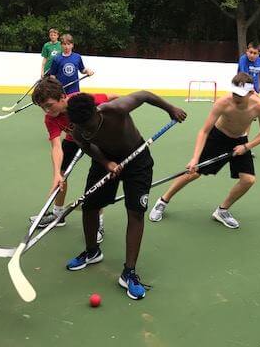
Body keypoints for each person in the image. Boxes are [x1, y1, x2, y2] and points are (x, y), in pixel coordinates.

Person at [66, 91, 187, 300]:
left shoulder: (117, 109)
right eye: (82, 128)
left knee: (136, 213)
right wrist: (106, 163)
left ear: (96, 111)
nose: (87, 131)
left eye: (90, 126)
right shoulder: (78, 130)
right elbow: (86, 146)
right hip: (105, 161)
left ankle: (129, 272)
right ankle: (92, 251)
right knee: (90, 206)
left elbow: (145, 95)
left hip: (138, 160)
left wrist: (171, 109)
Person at [148, 73, 260, 229]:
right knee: (193, 172)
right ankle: (163, 201)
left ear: (251, 93)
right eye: (234, 93)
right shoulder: (223, 103)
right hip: (218, 137)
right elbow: (204, 131)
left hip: (240, 142)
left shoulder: (259, 107)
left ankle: (222, 210)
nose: (235, 98)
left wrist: (246, 147)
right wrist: (194, 158)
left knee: (248, 180)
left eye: (240, 95)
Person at [30, 78, 117, 242]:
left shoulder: (81, 100)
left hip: (98, 140)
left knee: (96, 181)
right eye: (42, 107)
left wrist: (113, 118)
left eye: (49, 105)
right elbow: (56, 146)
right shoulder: (51, 118)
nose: (46, 110)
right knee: (61, 174)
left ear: (63, 97)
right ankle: (58, 215)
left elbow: (114, 97)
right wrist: (57, 173)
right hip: (74, 139)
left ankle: (99, 222)